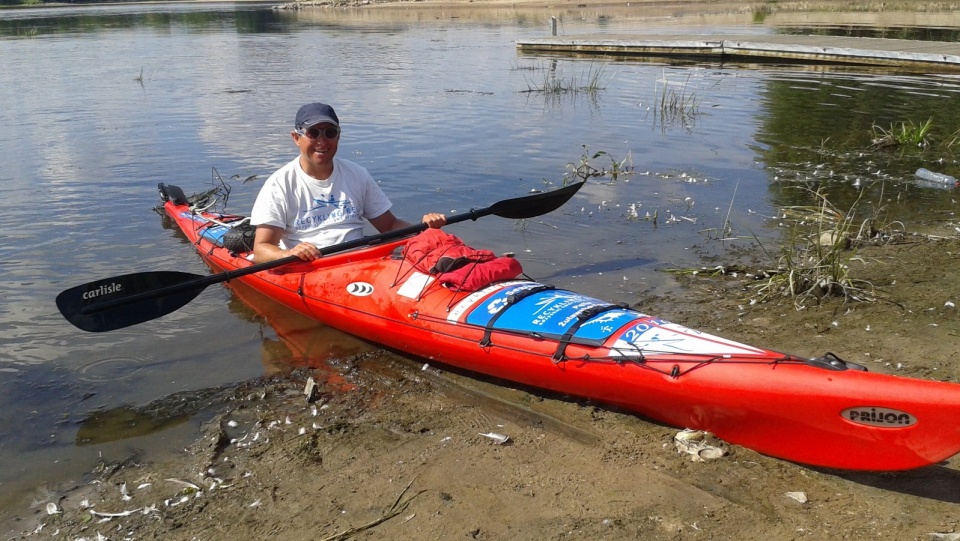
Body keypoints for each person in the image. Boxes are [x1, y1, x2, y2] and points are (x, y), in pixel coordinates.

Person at [250, 102, 446, 263]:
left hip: (360, 260)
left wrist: (423, 230)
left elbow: (390, 225)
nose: (322, 141)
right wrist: (288, 254)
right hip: (310, 267)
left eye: (330, 132)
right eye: (313, 133)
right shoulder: (279, 184)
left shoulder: (357, 174)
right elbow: (261, 249)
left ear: (338, 136)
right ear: (296, 138)